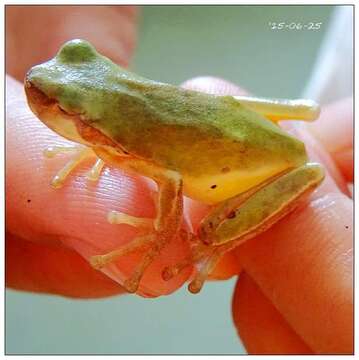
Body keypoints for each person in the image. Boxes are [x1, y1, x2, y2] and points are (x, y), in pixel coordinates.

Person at [6, 6, 353, 354]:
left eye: (66, 110)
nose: (37, 84)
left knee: (208, 231)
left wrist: (162, 234)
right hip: (231, 123)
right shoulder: (113, 134)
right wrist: (92, 148)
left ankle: (212, 242)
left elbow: (169, 178)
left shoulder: (121, 141)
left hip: (256, 169)